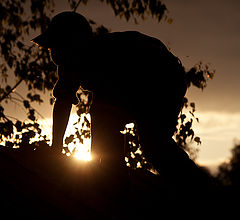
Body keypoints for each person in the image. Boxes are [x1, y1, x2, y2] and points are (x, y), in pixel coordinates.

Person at [32, 12, 216, 206]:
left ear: (74, 43)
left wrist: (102, 169)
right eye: (52, 48)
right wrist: (55, 149)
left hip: (161, 75)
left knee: (153, 141)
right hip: (145, 80)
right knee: (147, 139)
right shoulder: (70, 63)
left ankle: (201, 193)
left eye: (57, 46)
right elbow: (63, 102)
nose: (54, 54)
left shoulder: (103, 54)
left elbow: (105, 118)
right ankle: (120, 182)